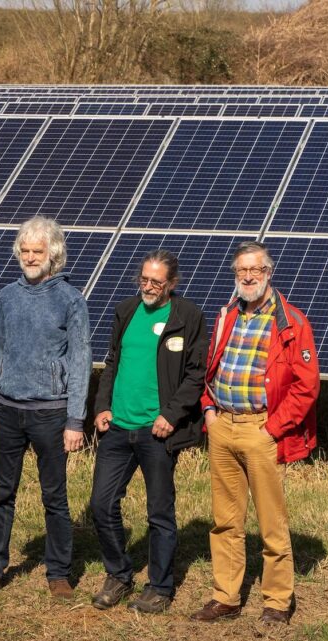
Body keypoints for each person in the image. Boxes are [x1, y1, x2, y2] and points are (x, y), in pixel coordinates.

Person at [191, 242, 319, 625]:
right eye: (241, 271)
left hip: (261, 429)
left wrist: (273, 429)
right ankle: (226, 596)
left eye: (255, 270)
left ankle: (277, 601)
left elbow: (306, 385)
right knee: (226, 519)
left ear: (268, 273)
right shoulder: (227, 315)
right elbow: (207, 366)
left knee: (270, 521)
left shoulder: (291, 322)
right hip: (222, 426)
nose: (248, 277)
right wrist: (209, 410)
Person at [0, 216, 91, 600]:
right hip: (8, 409)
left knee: (54, 497)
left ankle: (58, 572)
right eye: (24, 251)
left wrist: (75, 419)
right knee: (1, 493)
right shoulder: (7, 295)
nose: (29, 257)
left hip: (51, 413)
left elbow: (80, 361)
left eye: (37, 251)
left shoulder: (70, 300)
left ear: (52, 254)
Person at [89, 250, 207, 614]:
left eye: (156, 281)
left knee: (159, 513)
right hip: (118, 428)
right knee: (101, 504)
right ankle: (119, 574)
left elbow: (196, 374)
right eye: (143, 279)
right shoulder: (126, 311)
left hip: (157, 433)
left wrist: (171, 415)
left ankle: (160, 587)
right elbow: (112, 362)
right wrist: (102, 406)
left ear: (172, 283)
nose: (148, 286)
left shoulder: (188, 316)